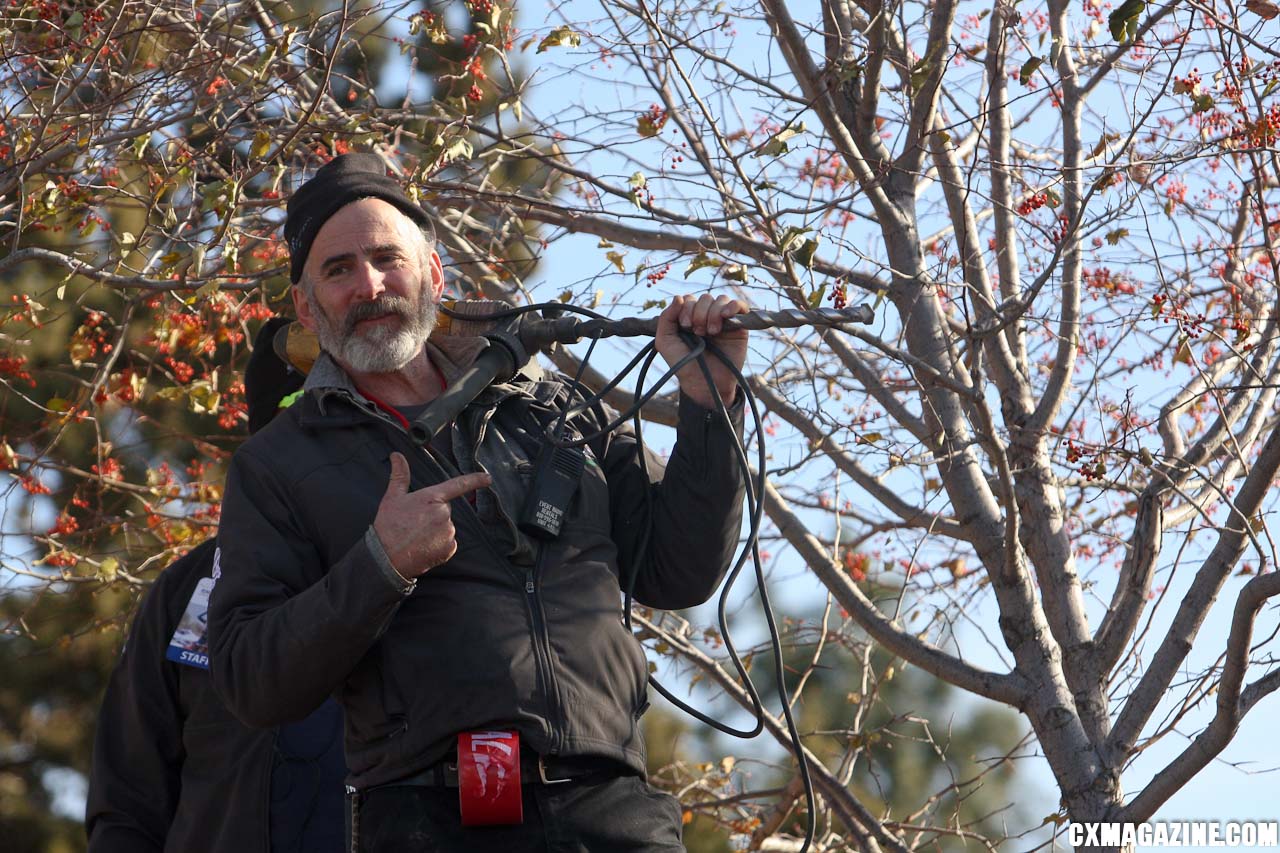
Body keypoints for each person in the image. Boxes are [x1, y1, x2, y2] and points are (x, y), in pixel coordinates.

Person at [208, 153, 749, 852]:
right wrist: (380, 564)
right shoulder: (278, 462)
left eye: (386, 257)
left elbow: (679, 571)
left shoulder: (551, 404)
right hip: (429, 822)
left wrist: (709, 409)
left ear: (433, 273)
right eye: (339, 270)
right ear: (307, 307)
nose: (369, 284)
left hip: (614, 807)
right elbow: (250, 679)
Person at [85, 318, 347, 853]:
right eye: (289, 420)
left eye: (328, 418)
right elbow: (127, 802)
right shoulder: (187, 588)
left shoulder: (418, 563)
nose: (307, 443)